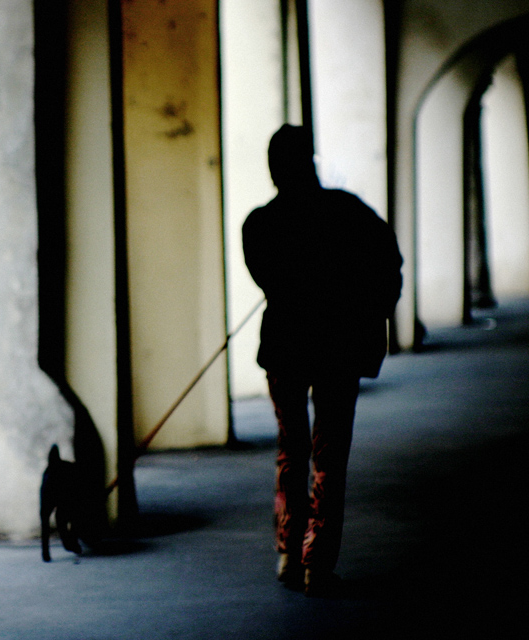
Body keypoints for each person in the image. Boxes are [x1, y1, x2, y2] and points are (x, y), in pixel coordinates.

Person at [242, 125, 403, 596]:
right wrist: (370, 316)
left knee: (291, 451)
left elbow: (265, 277)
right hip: (337, 347)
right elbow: (387, 263)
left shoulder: (259, 223)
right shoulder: (348, 212)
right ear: (309, 160)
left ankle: (289, 553)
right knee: (330, 457)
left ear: (275, 168)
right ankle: (317, 562)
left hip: (285, 347)